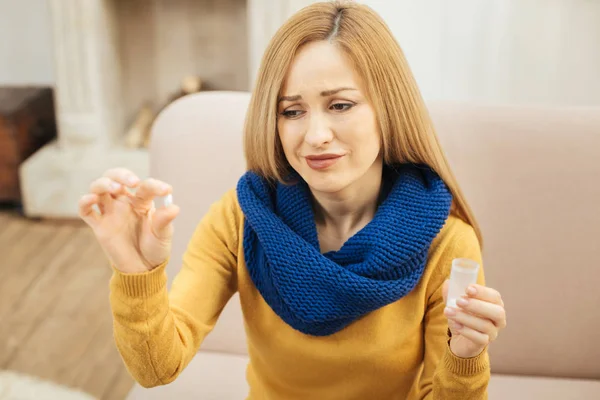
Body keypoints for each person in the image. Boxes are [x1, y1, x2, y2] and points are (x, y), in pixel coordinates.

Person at [78, 1, 507, 398]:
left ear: (388, 109)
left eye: (340, 105)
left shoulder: (446, 243)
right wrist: (137, 272)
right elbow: (155, 368)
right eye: (292, 111)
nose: (315, 136)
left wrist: (465, 356)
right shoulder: (241, 219)